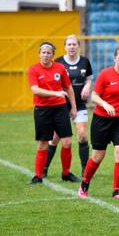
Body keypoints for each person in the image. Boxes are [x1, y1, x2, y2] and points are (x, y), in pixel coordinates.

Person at [77, 45, 119, 198]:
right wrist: (106, 104)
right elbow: (95, 96)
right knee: (98, 156)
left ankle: (116, 190)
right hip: (102, 120)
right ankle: (84, 183)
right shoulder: (105, 74)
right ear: (114, 59)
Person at [27, 41, 78, 184]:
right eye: (43, 52)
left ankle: (66, 173)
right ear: (39, 54)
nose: (45, 55)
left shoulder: (60, 68)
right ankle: (38, 176)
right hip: (42, 110)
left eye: (48, 52)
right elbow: (35, 90)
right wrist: (55, 93)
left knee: (67, 142)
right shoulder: (33, 69)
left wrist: (73, 107)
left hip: (60, 109)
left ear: (53, 55)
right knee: (43, 143)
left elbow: (68, 88)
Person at [43, 35, 93, 179]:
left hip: (80, 104)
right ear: (65, 47)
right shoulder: (58, 62)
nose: (71, 47)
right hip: (61, 106)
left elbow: (89, 77)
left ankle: (85, 170)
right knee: (55, 138)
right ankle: (44, 169)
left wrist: (87, 87)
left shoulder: (85, 61)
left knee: (82, 135)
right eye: (69, 44)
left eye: (74, 44)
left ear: (78, 46)